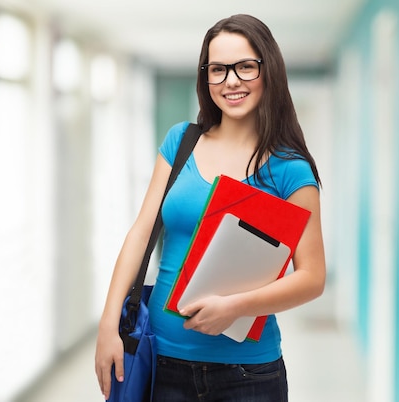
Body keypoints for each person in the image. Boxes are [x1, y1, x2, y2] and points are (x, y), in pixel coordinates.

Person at [95, 14, 326, 402]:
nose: (231, 81)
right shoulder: (180, 142)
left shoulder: (289, 168)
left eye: (245, 67)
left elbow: (312, 277)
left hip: (248, 374)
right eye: (218, 69)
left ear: (268, 71)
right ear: (206, 77)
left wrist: (235, 307)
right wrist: (107, 323)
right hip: (163, 361)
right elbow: (139, 234)